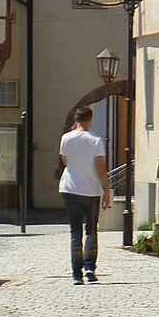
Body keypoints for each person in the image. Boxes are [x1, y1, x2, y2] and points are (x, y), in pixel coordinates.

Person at [59, 105, 109, 284]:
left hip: (70, 189)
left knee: (75, 232)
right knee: (91, 230)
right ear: (89, 120)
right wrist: (106, 189)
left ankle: (76, 274)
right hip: (91, 190)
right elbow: (100, 167)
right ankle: (89, 267)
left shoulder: (66, 138)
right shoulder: (95, 140)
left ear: (76, 120)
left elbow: (65, 160)